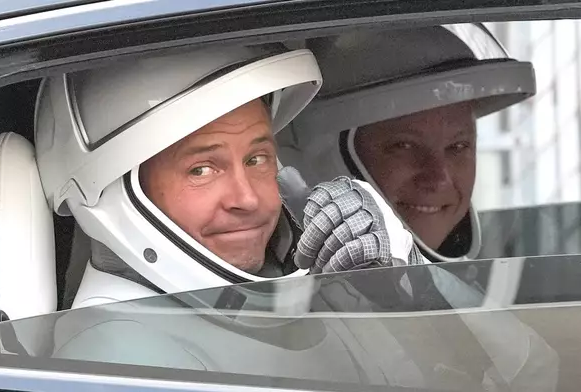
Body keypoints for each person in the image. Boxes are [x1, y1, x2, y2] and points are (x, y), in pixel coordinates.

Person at [34, 44, 420, 309]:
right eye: (201, 169)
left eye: (256, 159)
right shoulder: (112, 365)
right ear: (110, 193)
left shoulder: (277, 300)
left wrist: (403, 287)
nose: (248, 199)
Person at [280, 23, 537, 262]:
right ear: (319, 158)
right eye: (403, 146)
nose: (439, 178)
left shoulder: (474, 292)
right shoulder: (297, 303)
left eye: (458, 147)